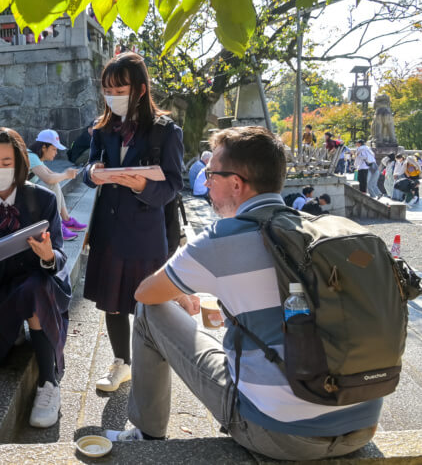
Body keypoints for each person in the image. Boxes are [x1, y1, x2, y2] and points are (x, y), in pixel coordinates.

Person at [104, 126, 381, 462]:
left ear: (236, 183)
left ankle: (147, 434)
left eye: (211, 174)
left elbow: (146, 294)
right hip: (362, 425)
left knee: (150, 313)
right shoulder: (327, 231)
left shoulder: (221, 237)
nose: (205, 183)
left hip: (280, 435)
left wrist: (179, 293)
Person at [82, 51, 183, 393]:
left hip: (145, 235)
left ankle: (153, 364)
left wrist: (143, 187)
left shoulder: (165, 131)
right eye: (107, 89)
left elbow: (172, 185)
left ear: (140, 89)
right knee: (112, 304)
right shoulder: (103, 127)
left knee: (148, 305)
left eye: (120, 88)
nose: (113, 96)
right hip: (108, 231)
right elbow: (90, 165)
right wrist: (92, 173)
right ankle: (121, 362)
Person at [0, 127, 72, 428]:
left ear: (21, 163)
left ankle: (49, 385)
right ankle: (15, 328)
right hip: (0, 289)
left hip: (41, 285)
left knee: (35, 288)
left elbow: (60, 258)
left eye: (6, 162)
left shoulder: (43, 200)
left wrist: (48, 255)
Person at [28, 129, 87, 241]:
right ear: (44, 148)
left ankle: (66, 219)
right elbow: (49, 179)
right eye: (54, 149)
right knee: (53, 184)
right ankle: (57, 224)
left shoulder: (35, 157)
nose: (56, 153)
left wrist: (68, 174)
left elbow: (52, 174)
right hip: (19, 200)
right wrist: (66, 175)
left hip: (26, 195)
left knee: (54, 182)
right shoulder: (31, 157)